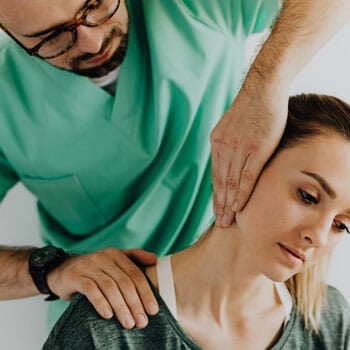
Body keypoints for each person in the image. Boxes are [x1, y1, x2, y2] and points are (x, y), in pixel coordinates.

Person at [0, 0, 350, 330]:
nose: (91, 41)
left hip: (242, 301)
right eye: (52, 38)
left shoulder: (190, 7)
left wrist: (265, 87)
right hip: (117, 317)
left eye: (95, 6)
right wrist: (50, 270)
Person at [43, 93, 350, 349]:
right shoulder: (107, 327)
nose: (320, 237)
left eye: (342, 224)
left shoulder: (328, 319)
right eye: (308, 196)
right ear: (244, 165)